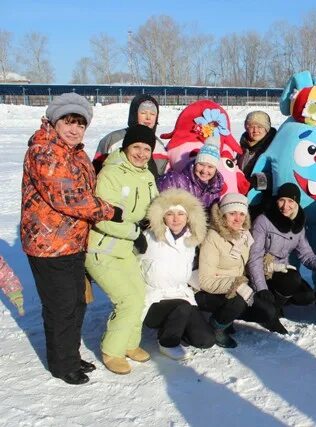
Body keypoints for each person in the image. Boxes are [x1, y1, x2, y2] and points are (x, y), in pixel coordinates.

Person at [21, 93, 122, 385]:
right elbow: (70, 197)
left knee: (76, 302)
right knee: (61, 306)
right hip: (49, 245)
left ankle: (70, 355)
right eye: (69, 121)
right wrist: (110, 211)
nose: (75, 129)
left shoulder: (74, 151)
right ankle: (62, 365)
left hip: (73, 241)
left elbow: (88, 185)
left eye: (80, 123)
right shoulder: (45, 151)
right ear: (55, 121)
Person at [85, 124, 159, 375]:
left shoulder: (147, 174)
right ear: (126, 147)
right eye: (136, 147)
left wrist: (155, 218)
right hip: (102, 248)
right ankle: (112, 350)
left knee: (140, 293)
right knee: (127, 300)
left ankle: (129, 344)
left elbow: (154, 203)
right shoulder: (111, 173)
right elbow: (101, 217)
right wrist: (135, 232)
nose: (141, 153)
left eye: (146, 148)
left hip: (126, 248)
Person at [247, 183, 316, 334]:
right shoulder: (263, 221)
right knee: (292, 279)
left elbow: (306, 255)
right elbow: (254, 257)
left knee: (307, 296)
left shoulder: (297, 225)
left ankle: (275, 300)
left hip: (281, 271)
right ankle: (270, 313)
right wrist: (261, 288)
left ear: (296, 203)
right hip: (263, 271)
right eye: (282, 200)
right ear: (276, 201)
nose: (285, 206)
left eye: (291, 201)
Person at [139, 188, 215, 360]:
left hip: (181, 296)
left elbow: (189, 272)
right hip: (154, 300)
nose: (175, 219)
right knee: (182, 307)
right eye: (170, 213)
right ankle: (167, 342)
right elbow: (132, 266)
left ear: (188, 217)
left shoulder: (191, 240)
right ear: (162, 216)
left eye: (181, 213)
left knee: (206, 340)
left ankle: (175, 326)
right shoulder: (149, 237)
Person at [194, 193, 259, 348]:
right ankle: (216, 327)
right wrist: (236, 284)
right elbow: (205, 281)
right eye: (232, 213)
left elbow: (248, 263)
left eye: (242, 214)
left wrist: (270, 266)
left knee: (266, 310)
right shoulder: (213, 237)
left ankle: (227, 318)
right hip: (207, 291)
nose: (238, 218)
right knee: (238, 302)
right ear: (223, 215)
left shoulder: (244, 235)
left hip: (233, 286)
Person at [93, 94, 168, 178]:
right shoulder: (112, 140)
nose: (148, 117)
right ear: (134, 115)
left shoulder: (160, 147)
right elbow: (96, 172)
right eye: (143, 113)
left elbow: (162, 180)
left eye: (153, 114)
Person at [156, 140, 225, 212]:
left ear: (216, 169)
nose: (204, 170)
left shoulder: (215, 189)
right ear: (195, 163)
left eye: (210, 167)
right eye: (201, 164)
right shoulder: (174, 180)